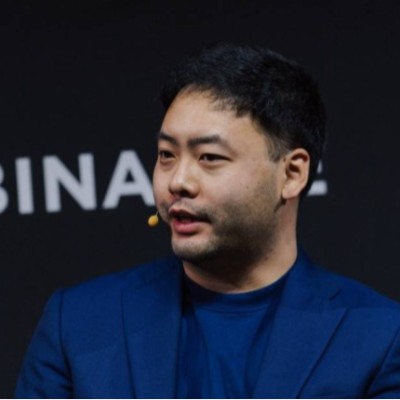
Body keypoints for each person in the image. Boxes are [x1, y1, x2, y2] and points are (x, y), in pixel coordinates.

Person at [16, 43, 400, 398]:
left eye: (209, 158)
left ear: (292, 173)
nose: (178, 181)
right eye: (166, 155)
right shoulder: (78, 322)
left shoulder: (379, 337)